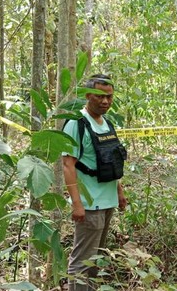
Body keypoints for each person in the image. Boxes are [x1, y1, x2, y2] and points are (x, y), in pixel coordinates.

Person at [62, 74, 128, 291]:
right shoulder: (76, 123)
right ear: (87, 95)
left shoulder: (107, 122)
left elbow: (111, 160)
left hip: (107, 201)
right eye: (99, 96)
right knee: (82, 261)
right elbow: (68, 165)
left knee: (96, 260)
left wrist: (119, 191)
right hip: (90, 205)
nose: (105, 101)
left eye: (109, 97)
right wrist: (77, 203)